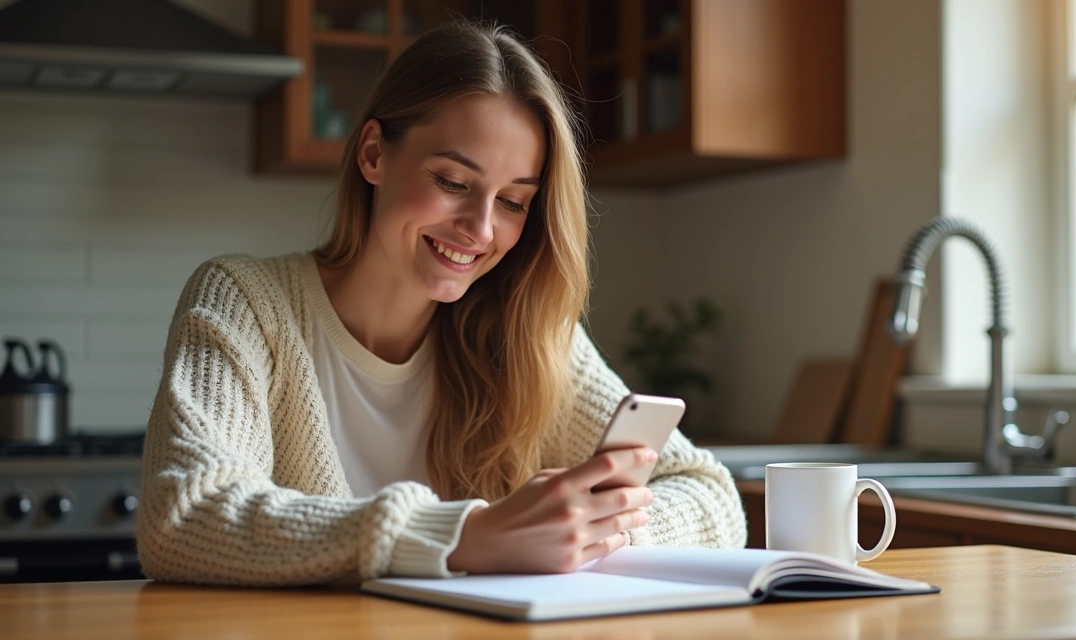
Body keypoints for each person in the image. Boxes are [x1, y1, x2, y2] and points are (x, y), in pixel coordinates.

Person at [135, 21, 746, 586]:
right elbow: (182, 516)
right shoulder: (245, 301)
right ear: (373, 154)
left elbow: (709, 493)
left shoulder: (525, 332)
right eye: (453, 182)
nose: (480, 229)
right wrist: (461, 538)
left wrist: (589, 530)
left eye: (513, 201)